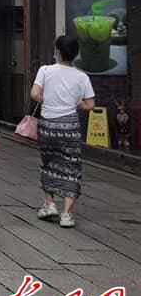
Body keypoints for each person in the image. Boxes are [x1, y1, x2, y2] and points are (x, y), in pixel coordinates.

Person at [30, 35, 95, 229]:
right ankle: (66, 214)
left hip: (48, 124)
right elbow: (90, 104)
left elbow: (34, 94)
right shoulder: (82, 76)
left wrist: (47, 100)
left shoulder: (45, 70)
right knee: (71, 167)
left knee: (49, 162)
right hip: (69, 126)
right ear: (75, 54)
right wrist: (77, 103)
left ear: (57, 52)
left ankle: (49, 204)